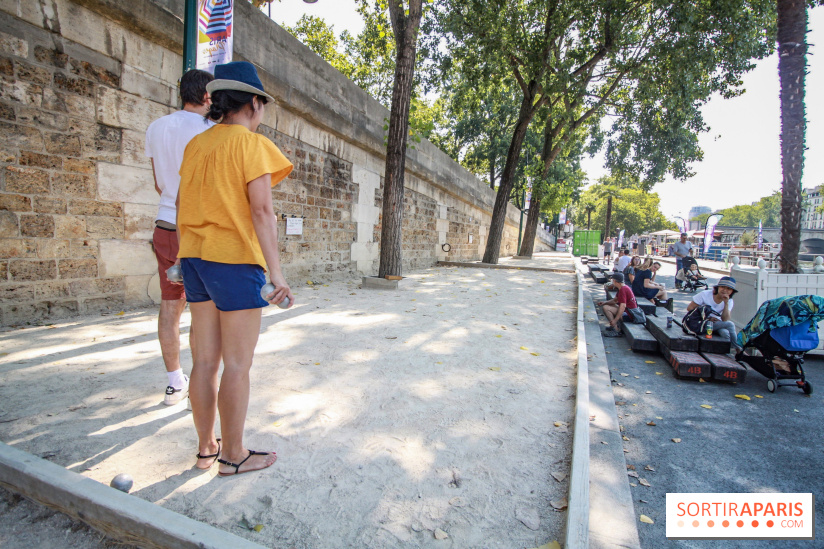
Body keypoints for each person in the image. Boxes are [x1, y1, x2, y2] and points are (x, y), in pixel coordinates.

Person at [176, 61, 295, 476]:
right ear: (254, 104)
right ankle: (234, 455)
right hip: (234, 259)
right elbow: (262, 211)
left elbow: (181, 204)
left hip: (194, 259)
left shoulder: (196, 145)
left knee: (204, 361)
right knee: (238, 365)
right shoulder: (251, 145)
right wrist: (276, 274)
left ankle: (208, 448)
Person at [145, 69, 214, 406]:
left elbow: (159, 183)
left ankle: (175, 383)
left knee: (170, 306)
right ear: (206, 96)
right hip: (198, 227)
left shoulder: (156, 128)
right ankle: (200, 383)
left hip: (165, 224)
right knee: (201, 308)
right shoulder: (211, 130)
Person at [685, 277, 740, 351]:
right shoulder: (705, 294)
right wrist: (708, 318)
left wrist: (726, 303)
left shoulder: (729, 301)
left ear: (732, 291)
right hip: (701, 323)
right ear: (718, 288)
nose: (725, 290)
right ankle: (737, 348)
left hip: (715, 324)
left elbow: (725, 319)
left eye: (728, 289)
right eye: (722, 287)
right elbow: (689, 308)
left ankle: (723, 354)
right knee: (730, 324)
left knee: (725, 333)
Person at [597, 273, 645, 337]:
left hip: (630, 314)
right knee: (607, 305)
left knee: (606, 308)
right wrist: (604, 302)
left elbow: (623, 306)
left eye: (612, 280)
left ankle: (616, 329)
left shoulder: (623, 289)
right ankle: (614, 327)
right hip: (628, 311)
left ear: (615, 281)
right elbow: (615, 300)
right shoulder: (623, 288)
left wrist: (615, 320)